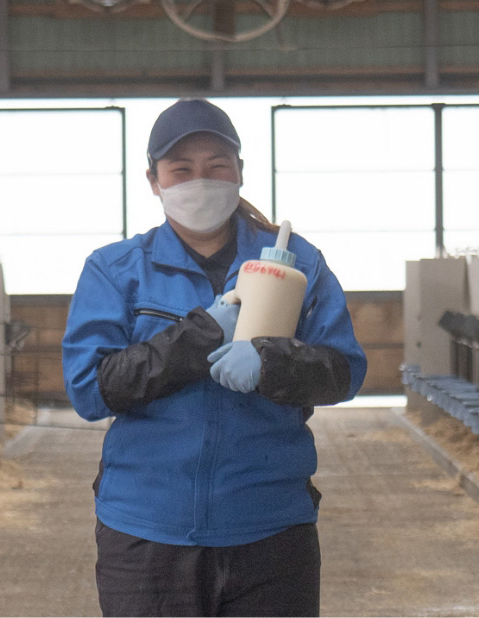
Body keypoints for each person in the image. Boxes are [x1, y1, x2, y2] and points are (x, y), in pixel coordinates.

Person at [62, 98, 367, 617]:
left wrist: (272, 361)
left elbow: (343, 372)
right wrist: (199, 335)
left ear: (240, 173)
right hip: (145, 530)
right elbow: (92, 390)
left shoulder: (299, 264)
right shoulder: (115, 270)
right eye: (180, 169)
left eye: (216, 166)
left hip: (270, 528)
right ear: (154, 180)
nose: (199, 181)